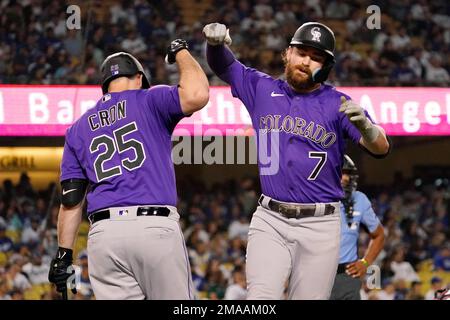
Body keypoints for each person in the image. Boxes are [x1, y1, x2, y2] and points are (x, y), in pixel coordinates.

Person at [203, 22, 390, 299]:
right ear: (287, 53)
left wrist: (369, 128)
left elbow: (380, 148)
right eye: (302, 52)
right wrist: (216, 45)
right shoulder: (261, 87)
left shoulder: (338, 102)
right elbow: (224, 66)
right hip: (271, 219)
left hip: (321, 224)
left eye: (316, 57)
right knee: (260, 299)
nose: (306, 61)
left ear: (326, 66)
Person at [48, 39, 209, 299]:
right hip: (152, 226)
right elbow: (197, 94)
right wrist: (180, 52)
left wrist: (63, 254)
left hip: (103, 237)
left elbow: (71, 201)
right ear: (138, 78)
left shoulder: (77, 128)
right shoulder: (149, 98)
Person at [329, 155, 385, 300]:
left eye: (348, 173)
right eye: (341, 173)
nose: (346, 178)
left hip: (346, 275)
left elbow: (379, 235)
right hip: (315, 274)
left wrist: (365, 262)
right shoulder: (311, 198)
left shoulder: (359, 199)